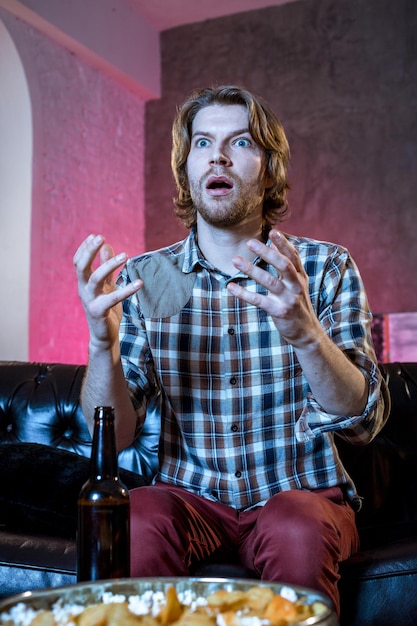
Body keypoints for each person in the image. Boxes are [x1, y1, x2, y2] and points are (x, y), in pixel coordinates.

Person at [74, 85, 388, 615]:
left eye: (240, 142)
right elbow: (115, 436)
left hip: (300, 493)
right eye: (203, 143)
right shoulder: (148, 278)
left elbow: (361, 422)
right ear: (187, 168)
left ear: (268, 168)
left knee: (295, 526)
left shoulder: (324, 268)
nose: (218, 155)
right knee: (137, 516)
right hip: (189, 497)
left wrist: (304, 331)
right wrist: (101, 343)